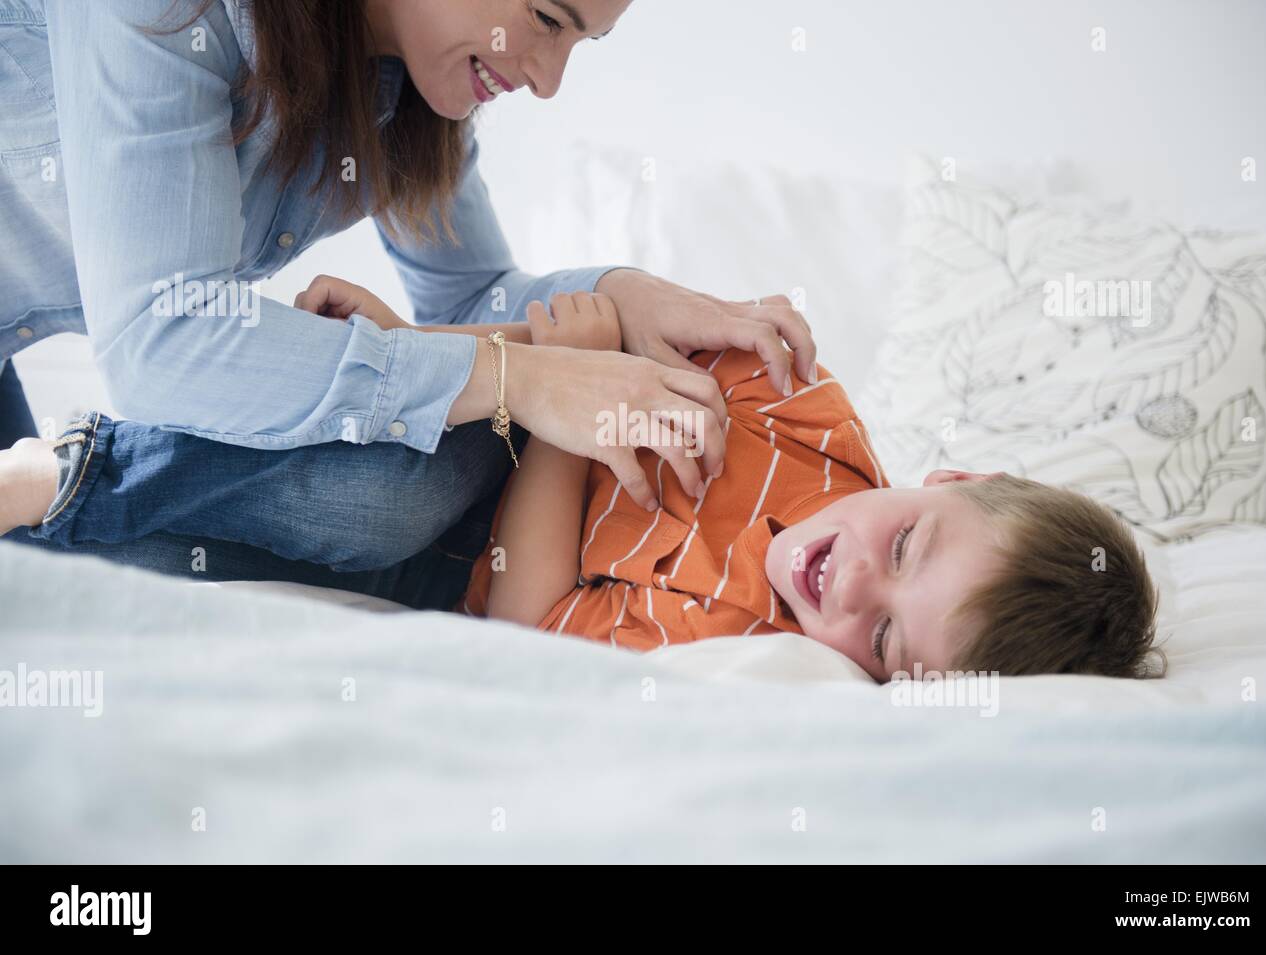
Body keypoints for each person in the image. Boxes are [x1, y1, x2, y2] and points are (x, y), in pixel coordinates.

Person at [0, 0, 816, 599]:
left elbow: (471, 291)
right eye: (545, 19)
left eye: (581, 44)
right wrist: (522, 377)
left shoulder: (404, 86)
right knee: (391, 490)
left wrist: (622, 295)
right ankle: (65, 474)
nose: (548, 80)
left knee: (396, 491)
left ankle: (56, 501)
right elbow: (163, 337)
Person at [460, 289, 1166, 682]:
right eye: (903, 547)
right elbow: (621, 325)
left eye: (884, 638)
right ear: (956, 478)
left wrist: (565, 386)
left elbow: (525, 629)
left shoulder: (733, 635)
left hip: (453, 530)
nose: (852, 587)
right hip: (497, 381)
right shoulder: (805, 410)